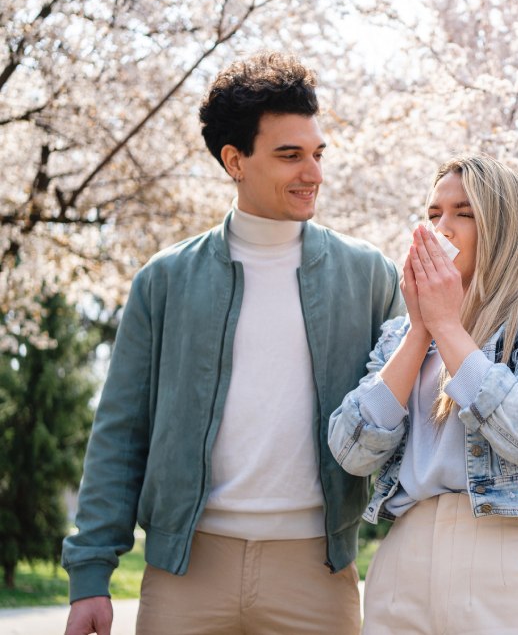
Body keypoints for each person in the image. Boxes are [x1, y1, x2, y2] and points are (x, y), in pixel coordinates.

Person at [61, 52, 402, 635]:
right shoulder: (165, 280)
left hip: (317, 573)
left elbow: (408, 414)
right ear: (234, 160)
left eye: (317, 154)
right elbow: (121, 431)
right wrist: (91, 571)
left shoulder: (368, 276)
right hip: (186, 572)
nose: (313, 174)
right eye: (290, 155)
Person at [328, 154, 518, 634]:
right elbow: (351, 451)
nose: (441, 229)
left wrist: (448, 326)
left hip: (505, 551)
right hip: (404, 554)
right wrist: (419, 332)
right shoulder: (399, 334)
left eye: (464, 213)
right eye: (433, 214)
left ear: (503, 227)